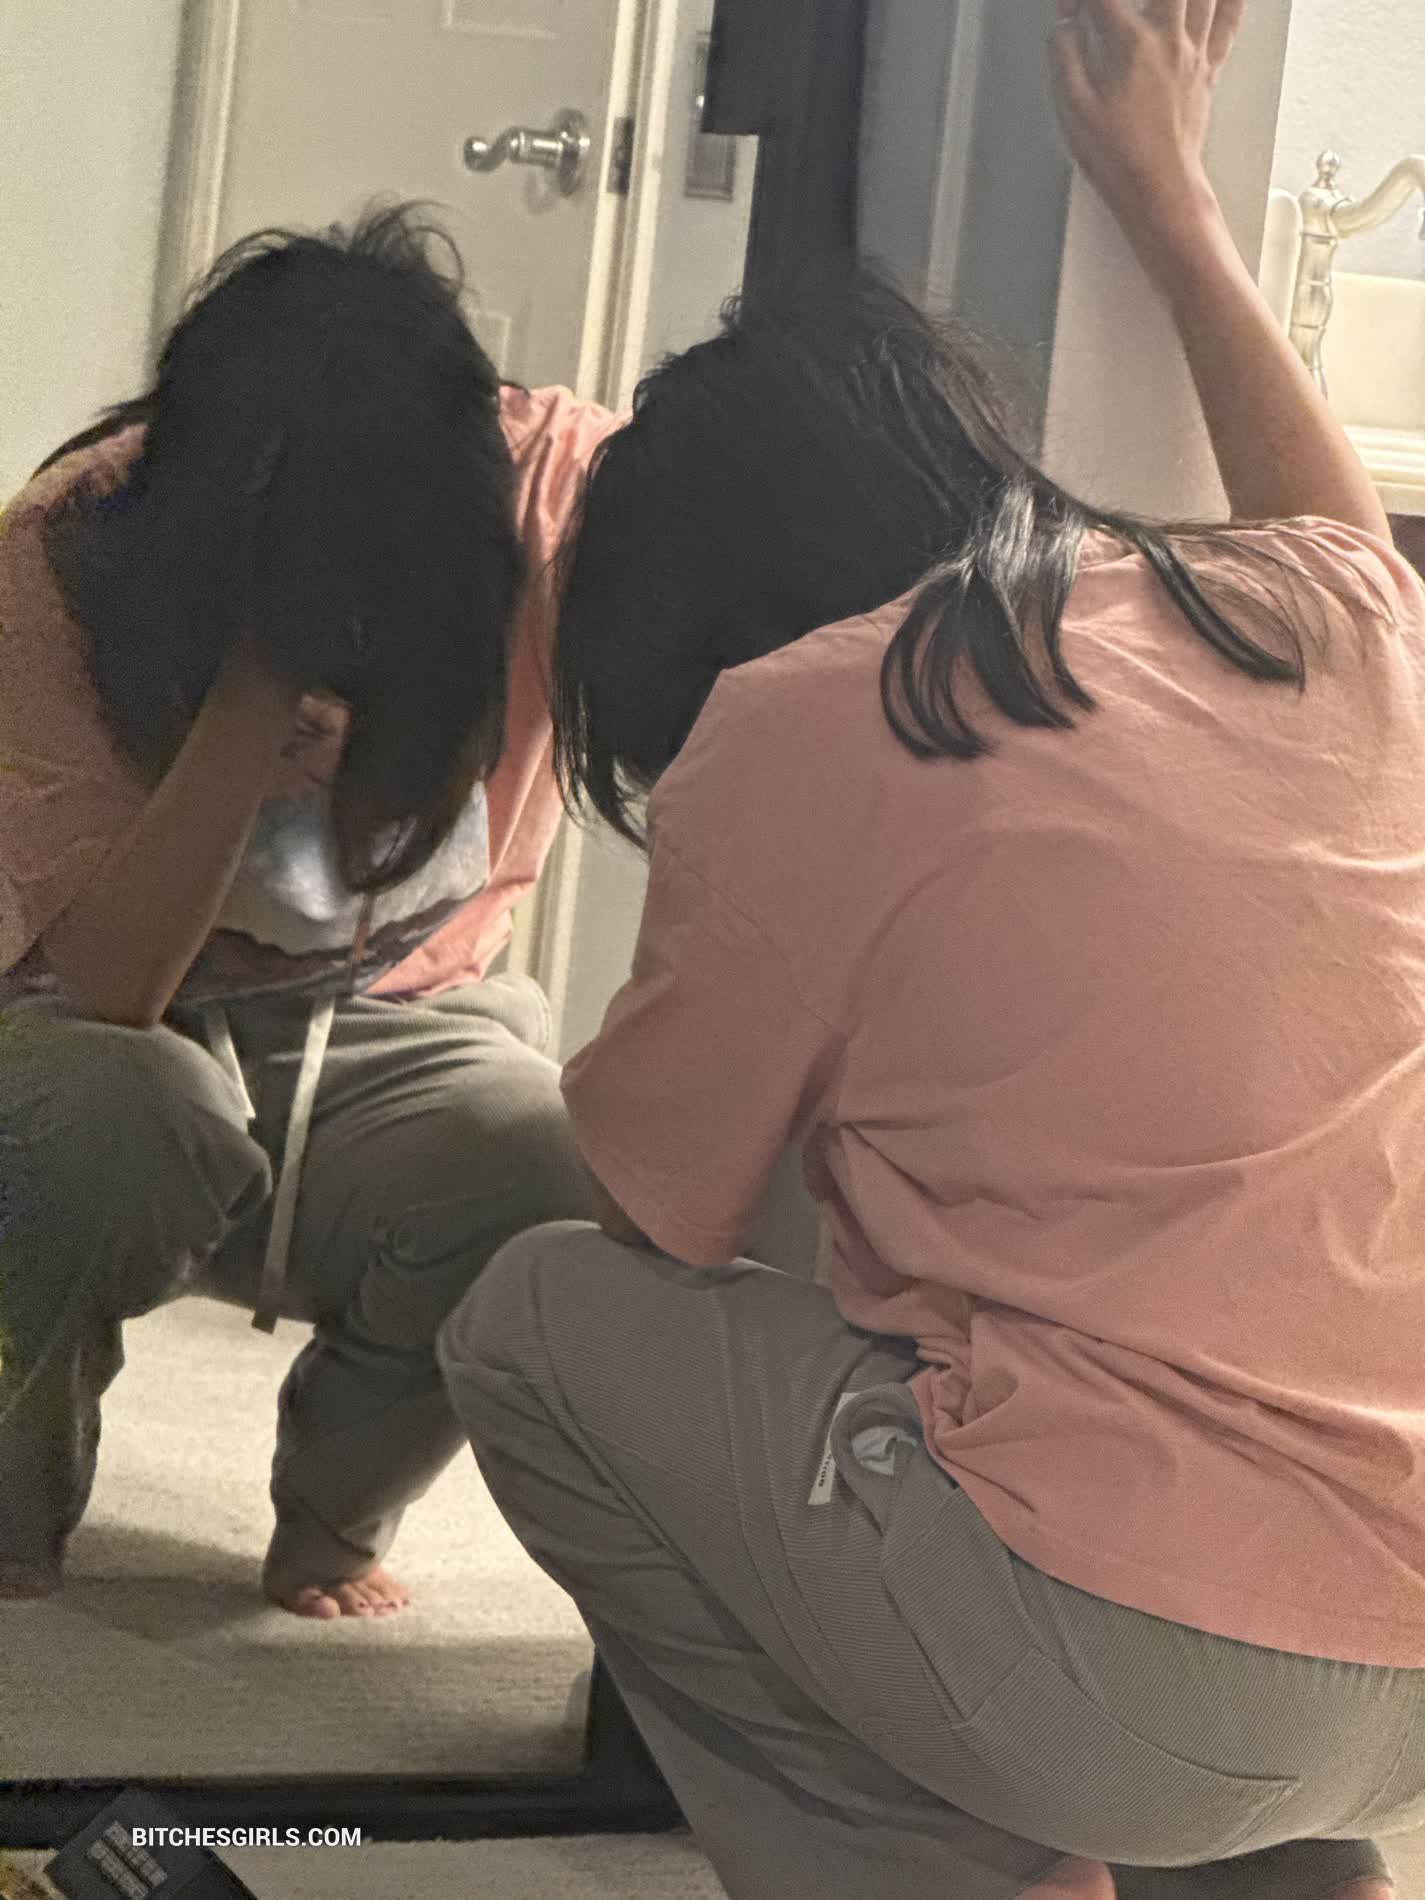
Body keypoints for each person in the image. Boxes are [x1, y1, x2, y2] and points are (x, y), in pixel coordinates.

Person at [438, 2, 1424, 1895]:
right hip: (1398, 1676)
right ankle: (1269, 1869)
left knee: (537, 1330)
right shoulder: (1315, 618)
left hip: (1145, 1674)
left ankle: (934, 1870)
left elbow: (656, 1216)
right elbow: (1331, 513)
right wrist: (1168, 199)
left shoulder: (806, 718)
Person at [0, 204, 621, 1618]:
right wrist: (251, 692)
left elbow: (732, 532)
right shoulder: (69, 549)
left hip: (398, 1021)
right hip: (108, 1029)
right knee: (111, 1111)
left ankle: (336, 1513)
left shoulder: (545, 497)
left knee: (542, 1151)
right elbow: (104, 991)